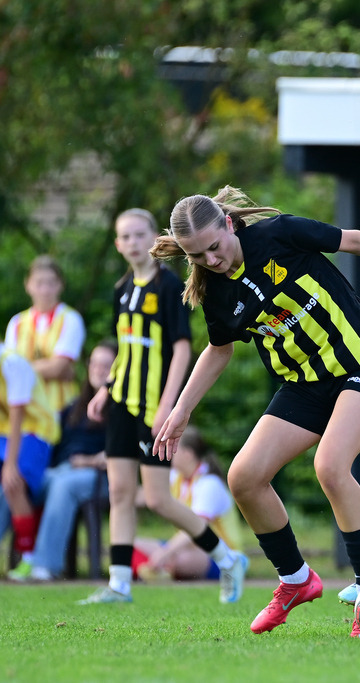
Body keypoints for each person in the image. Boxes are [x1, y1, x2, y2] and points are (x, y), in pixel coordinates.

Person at [149, 186, 360, 636]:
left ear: (230, 224)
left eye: (214, 248)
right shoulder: (216, 292)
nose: (211, 261)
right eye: (197, 257)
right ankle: (295, 580)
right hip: (303, 386)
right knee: (244, 477)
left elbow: (354, 241)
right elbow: (218, 351)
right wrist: (180, 411)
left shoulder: (281, 234)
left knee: (331, 466)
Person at [78, 208, 248, 606]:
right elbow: (126, 346)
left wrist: (168, 405)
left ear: (152, 238)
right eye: (126, 237)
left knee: (157, 499)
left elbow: (182, 347)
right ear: (118, 244)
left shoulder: (168, 287)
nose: (133, 242)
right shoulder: (122, 289)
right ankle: (119, 583)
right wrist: (107, 388)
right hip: (122, 402)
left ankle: (227, 559)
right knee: (120, 492)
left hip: (153, 406)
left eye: (140, 235)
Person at [8, 340, 116, 581]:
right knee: (15, 480)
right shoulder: (72, 408)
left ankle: (45, 567)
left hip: (99, 478)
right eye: (95, 364)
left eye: (106, 365)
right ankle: (24, 558)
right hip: (59, 471)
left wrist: (86, 461)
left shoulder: (122, 409)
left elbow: (121, 455)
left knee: (62, 486)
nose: (99, 370)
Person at [134, 426, 246, 582]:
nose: (166, 451)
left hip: (220, 552)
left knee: (180, 560)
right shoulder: (177, 477)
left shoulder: (209, 484)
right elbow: (144, 496)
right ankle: (160, 571)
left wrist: (166, 553)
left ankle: (159, 571)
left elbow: (197, 528)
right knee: (130, 545)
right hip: (187, 549)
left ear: (187, 454)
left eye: (172, 446)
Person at [1, 342, 60, 565]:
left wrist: (10, 463)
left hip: (38, 430)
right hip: (6, 432)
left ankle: (28, 558)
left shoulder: (12, 363)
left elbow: (18, 417)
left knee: (13, 482)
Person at [5, 255, 86, 415]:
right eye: (39, 283)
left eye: (51, 283)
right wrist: (52, 367)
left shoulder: (70, 318)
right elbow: (8, 371)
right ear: (27, 285)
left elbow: (58, 368)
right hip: (26, 413)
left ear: (61, 285)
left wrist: (23, 369)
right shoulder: (16, 323)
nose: (45, 290)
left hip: (61, 411)